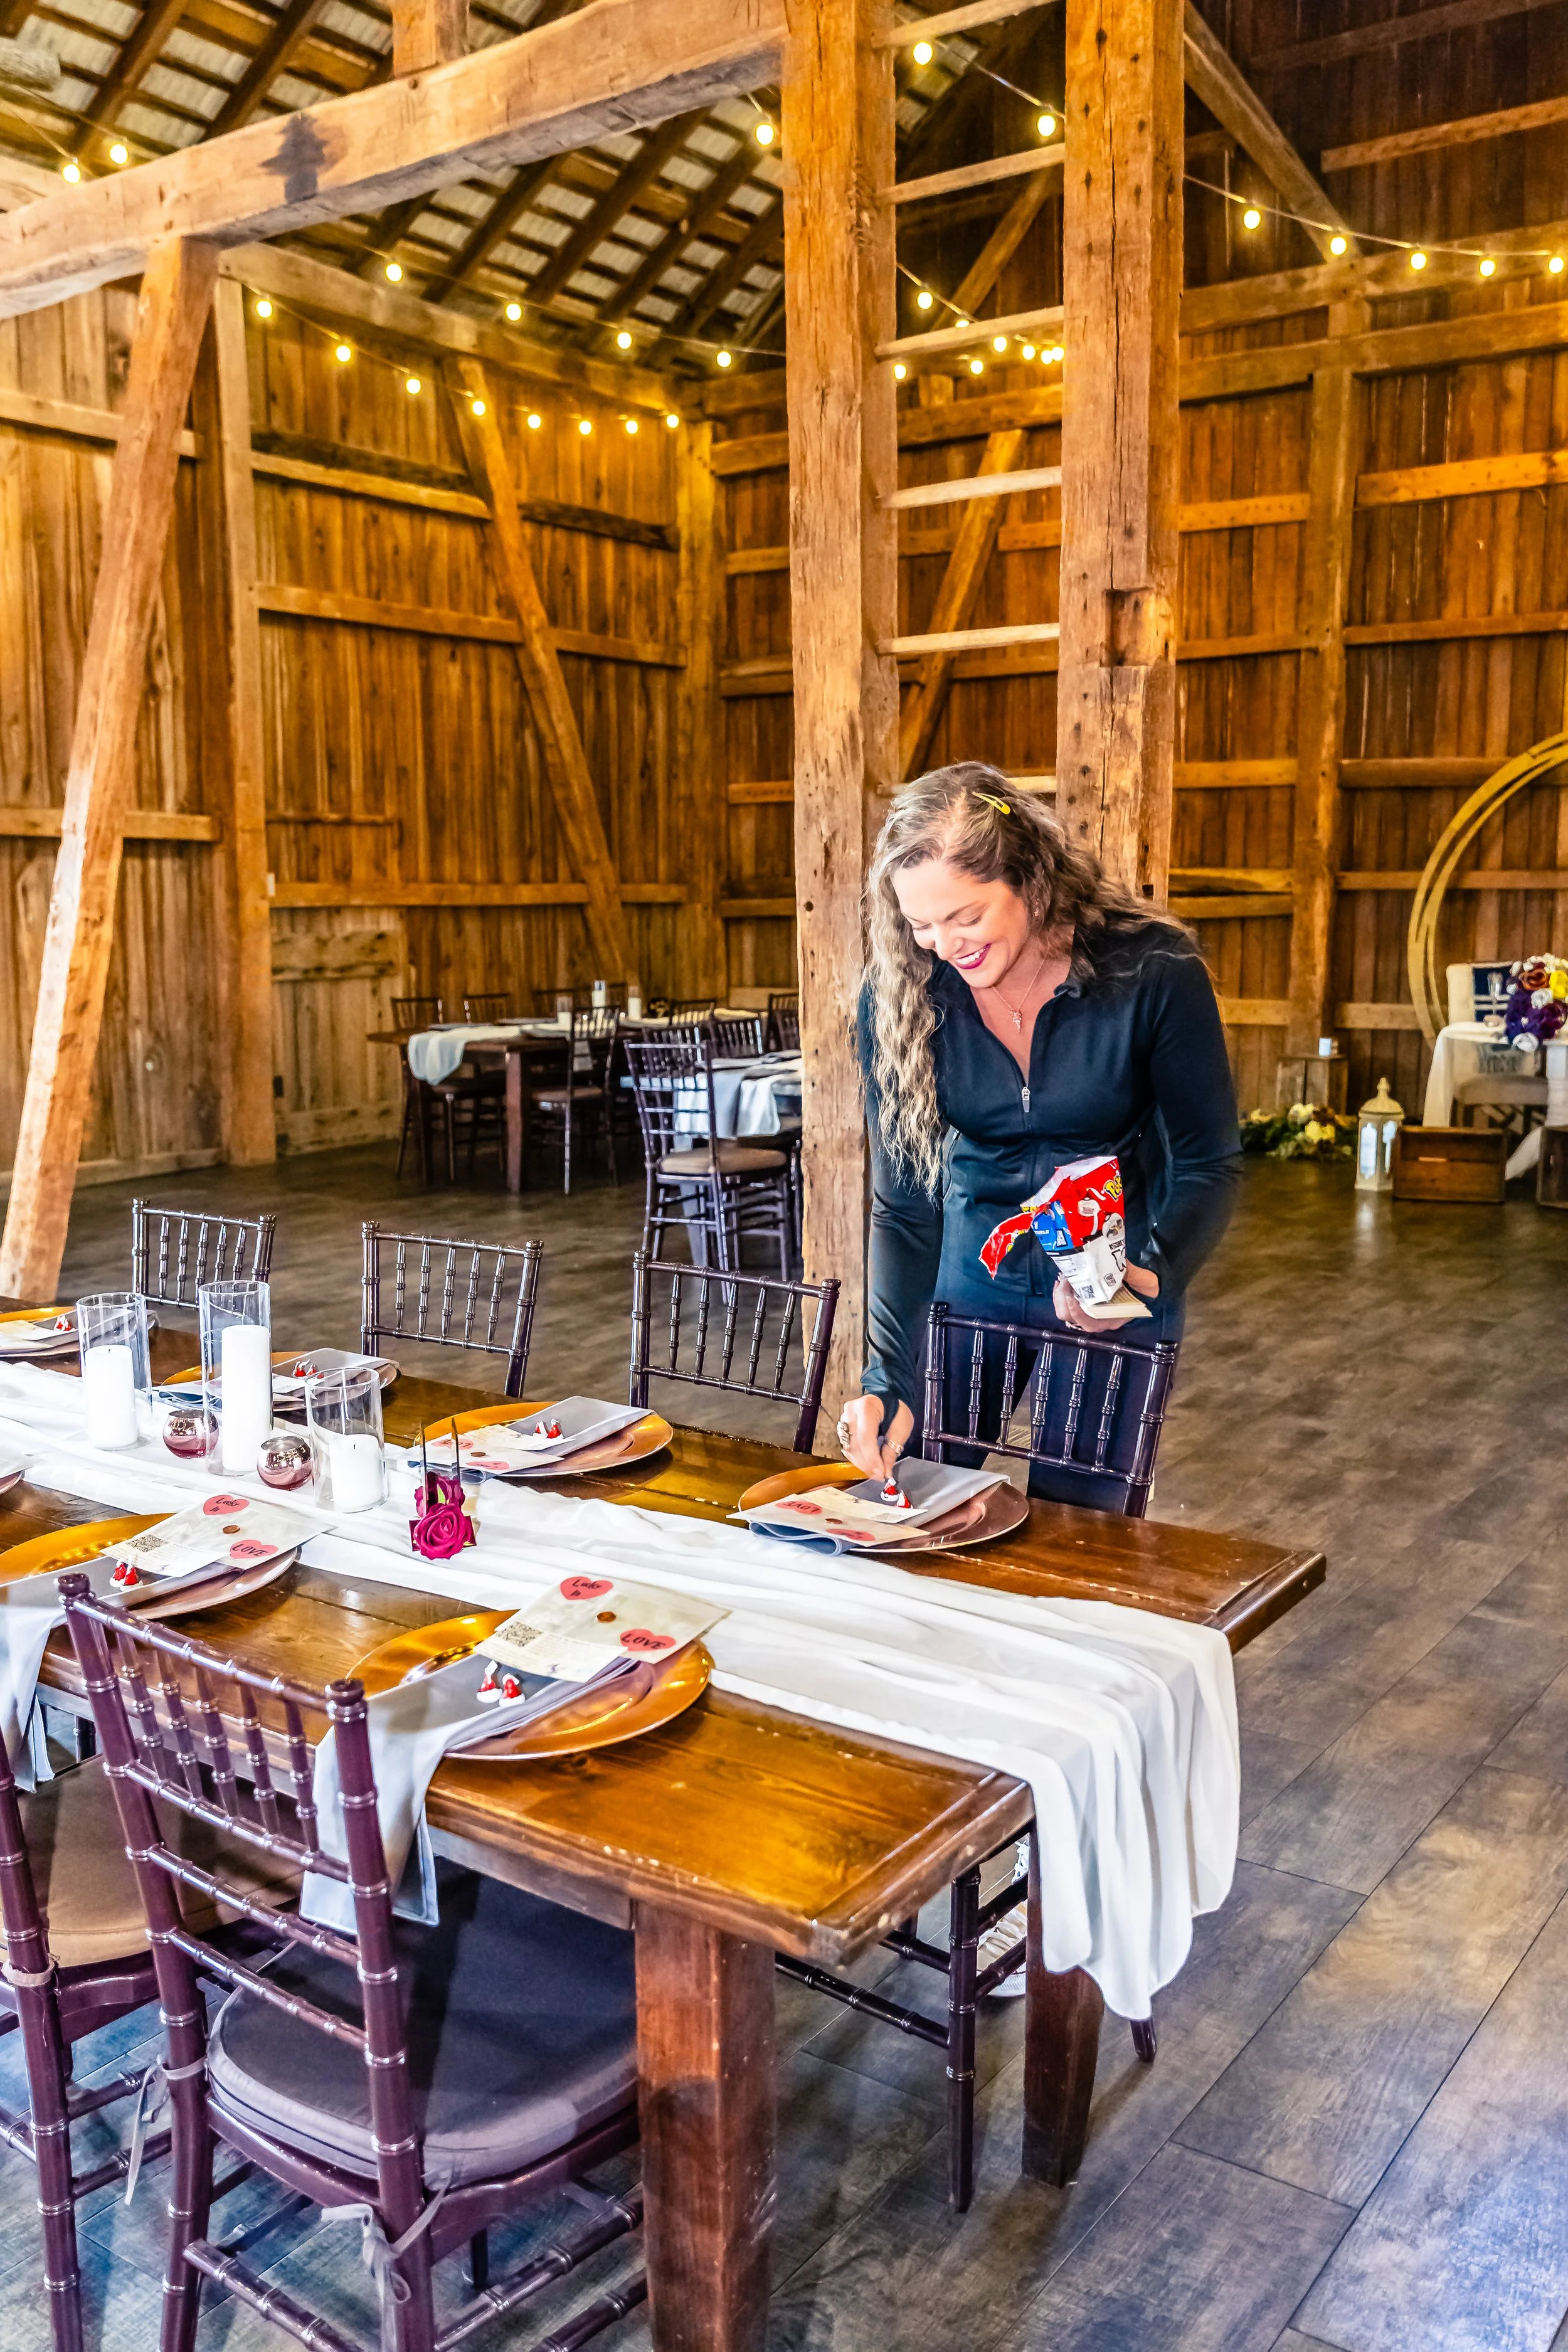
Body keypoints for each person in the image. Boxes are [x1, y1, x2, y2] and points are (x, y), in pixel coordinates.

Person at [837, 761, 1242, 1496]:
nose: (944, 946)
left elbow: (1210, 1163)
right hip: (971, 1282)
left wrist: (1145, 1278)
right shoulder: (901, 991)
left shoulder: (1151, 969)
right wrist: (887, 1377)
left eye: (966, 917)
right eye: (921, 924)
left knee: (1080, 1538)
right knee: (913, 1501)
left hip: (1115, 1282)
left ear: (1030, 879)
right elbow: (903, 1207)